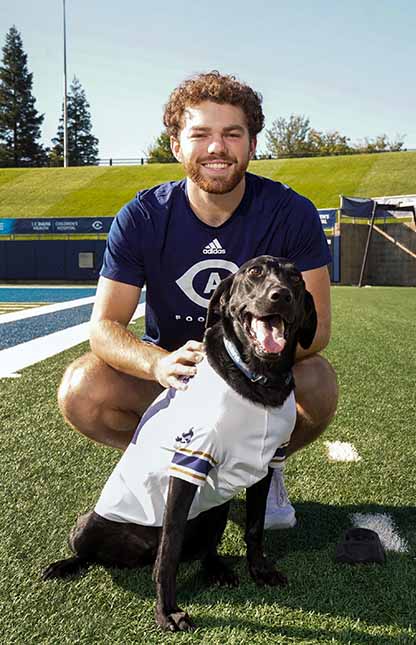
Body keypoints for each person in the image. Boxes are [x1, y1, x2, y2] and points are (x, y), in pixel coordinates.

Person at [58, 71, 338, 529]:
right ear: (176, 145)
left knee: (318, 383)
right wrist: (156, 364)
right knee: (82, 389)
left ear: (252, 144)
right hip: (176, 377)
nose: (216, 148)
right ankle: (174, 467)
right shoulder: (143, 216)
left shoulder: (291, 212)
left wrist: (231, 364)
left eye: (232, 134)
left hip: (255, 374)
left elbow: (319, 327)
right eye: (200, 134)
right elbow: (103, 327)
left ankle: (261, 468)